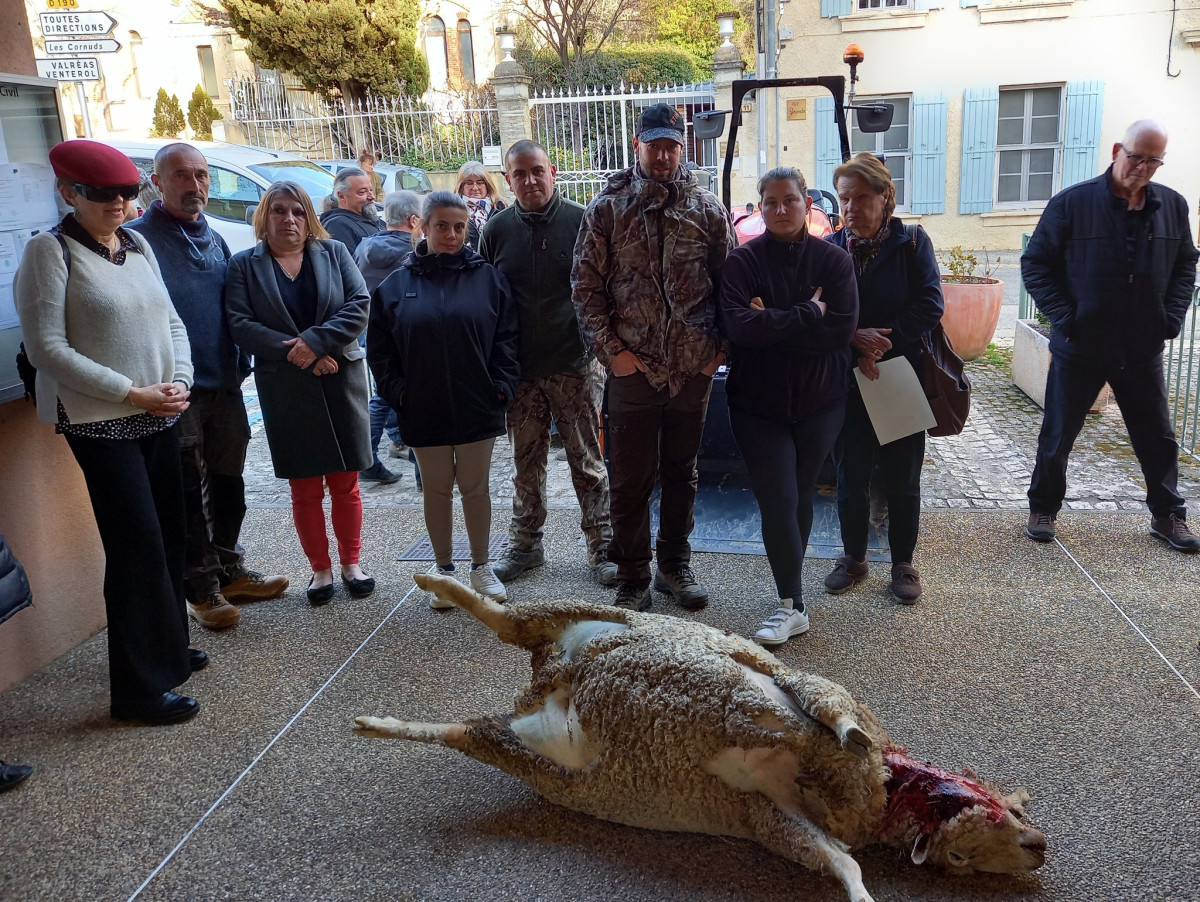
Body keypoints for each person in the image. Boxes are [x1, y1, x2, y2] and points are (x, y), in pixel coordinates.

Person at [14, 140, 201, 725]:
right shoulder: (50, 253)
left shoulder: (137, 242)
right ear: (69, 193)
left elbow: (170, 319)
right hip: (99, 421)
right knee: (136, 546)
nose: (118, 203)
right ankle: (139, 691)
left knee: (170, 533)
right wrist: (132, 392)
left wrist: (180, 381)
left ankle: (168, 647)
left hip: (157, 411)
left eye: (126, 191)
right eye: (102, 194)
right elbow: (47, 349)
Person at [572, 102, 735, 612]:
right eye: (653, 145)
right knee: (629, 478)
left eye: (671, 145)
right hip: (633, 371)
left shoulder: (706, 209)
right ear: (638, 146)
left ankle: (674, 566)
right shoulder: (608, 209)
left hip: (692, 370)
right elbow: (584, 288)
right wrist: (612, 353)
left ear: (681, 148)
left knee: (682, 472)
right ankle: (633, 575)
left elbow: (731, 288)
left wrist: (716, 354)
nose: (662, 155)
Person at [127, 143, 289, 631]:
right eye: (181, 176)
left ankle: (228, 567)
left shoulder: (214, 238)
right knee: (188, 492)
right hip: (175, 390)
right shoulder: (137, 242)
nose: (194, 185)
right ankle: (202, 591)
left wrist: (240, 363)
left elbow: (231, 308)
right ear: (156, 182)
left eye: (200, 175)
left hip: (224, 384)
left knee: (228, 485)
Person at [1022, 119, 1200, 552]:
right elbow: (1036, 266)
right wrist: (1068, 318)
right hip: (1080, 345)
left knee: (1157, 436)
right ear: (1118, 149)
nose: (1142, 167)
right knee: (1059, 432)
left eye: (1153, 160)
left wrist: (1170, 317)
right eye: (1136, 156)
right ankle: (1043, 507)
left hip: (1141, 347)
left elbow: (1184, 267)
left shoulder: (1173, 206)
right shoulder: (1072, 203)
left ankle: (1168, 515)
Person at [719, 167, 858, 645]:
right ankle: (791, 604)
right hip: (758, 404)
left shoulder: (834, 262)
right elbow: (738, 329)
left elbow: (839, 333)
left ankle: (791, 594)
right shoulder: (742, 263)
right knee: (778, 498)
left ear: (807, 206)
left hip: (821, 401)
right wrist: (807, 313)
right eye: (771, 202)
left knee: (798, 493)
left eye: (790, 201)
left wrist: (770, 323)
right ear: (759, 208)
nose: (780, 210)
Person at [224, 181, 377, 605]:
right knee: (305, 488)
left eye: (296, 210)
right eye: (278, 211)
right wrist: (304, 354)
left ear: (309, 216)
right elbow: (240, 323)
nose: (288, 219)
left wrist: (319, 342)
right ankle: (320, 570)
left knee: (346, 483)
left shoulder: (335, 253)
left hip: (339, 378)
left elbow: (358, 304)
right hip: (286, 388)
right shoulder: (243, 266)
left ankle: (351, 564)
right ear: (264, 217)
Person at [368, 191, 520, 604]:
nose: (452, 235)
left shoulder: (487, 278)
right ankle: (444, 570)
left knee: (475, 488)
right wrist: (398, 392)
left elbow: (507, 338)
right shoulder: (397, 285)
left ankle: (481, 567)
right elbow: (380, 351)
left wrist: (502, 386)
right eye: (441, 226)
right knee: (436, 490)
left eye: (459, 227)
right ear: (422, 225)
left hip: (478, 402)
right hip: (422, 407)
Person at [479, 140, 615, 586]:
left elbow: (603, 288)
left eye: (537, 171)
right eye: (520, 174)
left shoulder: (581, 221)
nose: (530, 180)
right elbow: (487, 299)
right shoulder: (496, 231)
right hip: (520, 369)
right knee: (526, 461)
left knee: (587, 461)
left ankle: (602, 548)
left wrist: (598, 350)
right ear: (508, 180)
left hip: (573, 363)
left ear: (553, 171)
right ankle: (525, 545)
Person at [824, 153, 944, 604]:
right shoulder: (831, 248)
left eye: (860, 197)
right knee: (849, 475)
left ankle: (902, 563)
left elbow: (930, 304)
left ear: (884, 197)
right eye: (843, 198)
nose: (850, 207)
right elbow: (820, 312)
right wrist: (854, 338)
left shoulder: (911, 243)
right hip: (848, 377)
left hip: (898, 374)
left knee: (902, 476)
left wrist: (881, 344)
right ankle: (854, 558)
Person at [353, 190, 426, 486]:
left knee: (383, 392)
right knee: (403, 395)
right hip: (406, 334)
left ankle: (371, 454)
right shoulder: (412, 253)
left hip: (372, 332)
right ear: (413, 220)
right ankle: (418, 470)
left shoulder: (365, 247)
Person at [319, 166, 383, 254]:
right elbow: (348, 265)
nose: (372, 196)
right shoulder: (337, 226)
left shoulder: (368, 217)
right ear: (341, 196)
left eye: (371, 190)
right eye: (362, 192)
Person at [456, 160, 506, 251]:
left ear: (487, 185)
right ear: (461, 186)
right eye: (469, 183)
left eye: (480, 183)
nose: (475, 188)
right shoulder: (452, 209)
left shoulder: (500, 208)